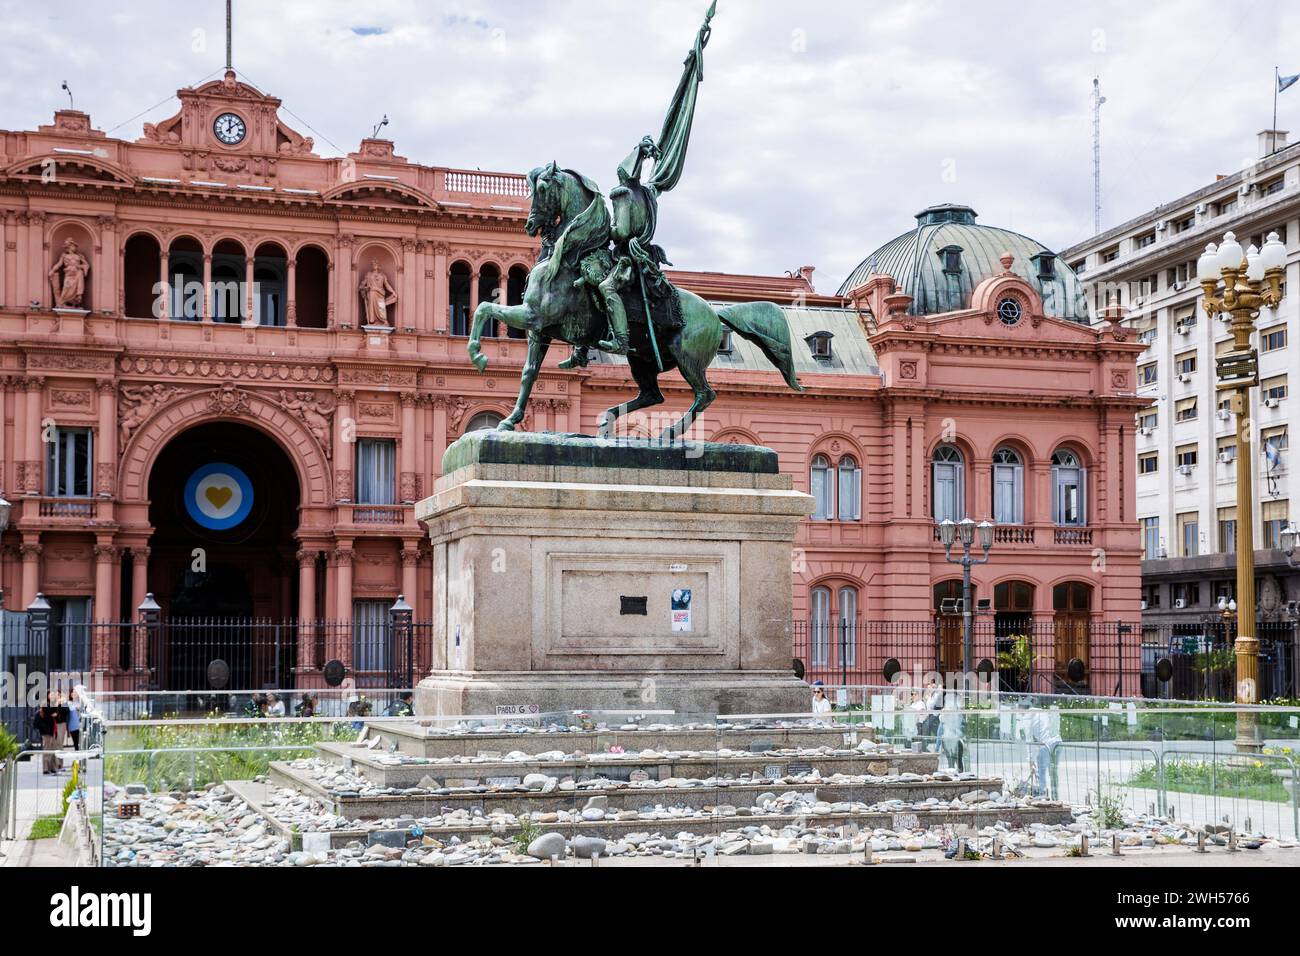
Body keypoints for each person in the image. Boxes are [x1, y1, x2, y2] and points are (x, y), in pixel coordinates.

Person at [1020, 700, 1062, 799]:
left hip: (1046, 744)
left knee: (1040, 771)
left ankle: (1042, 794)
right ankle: (1055, 795)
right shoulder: (1042, 712)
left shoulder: (1027, 717)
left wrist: (1030, 761)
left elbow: (1029, 740)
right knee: (1053, 771)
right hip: (1058, 742)